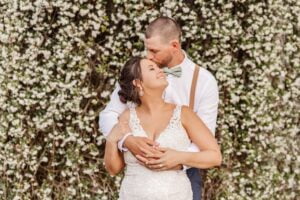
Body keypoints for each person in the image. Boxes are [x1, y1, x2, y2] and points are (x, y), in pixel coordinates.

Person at [100, 17, 219, 200]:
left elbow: (208, 145)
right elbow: (109, 115)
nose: (148, 55)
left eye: (154, 51)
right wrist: (126, 140)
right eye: (147, 49)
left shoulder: (203, 82)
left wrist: (177, 159)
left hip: (182, 176)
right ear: (138, 84)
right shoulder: (136, 72)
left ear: (174, 46)